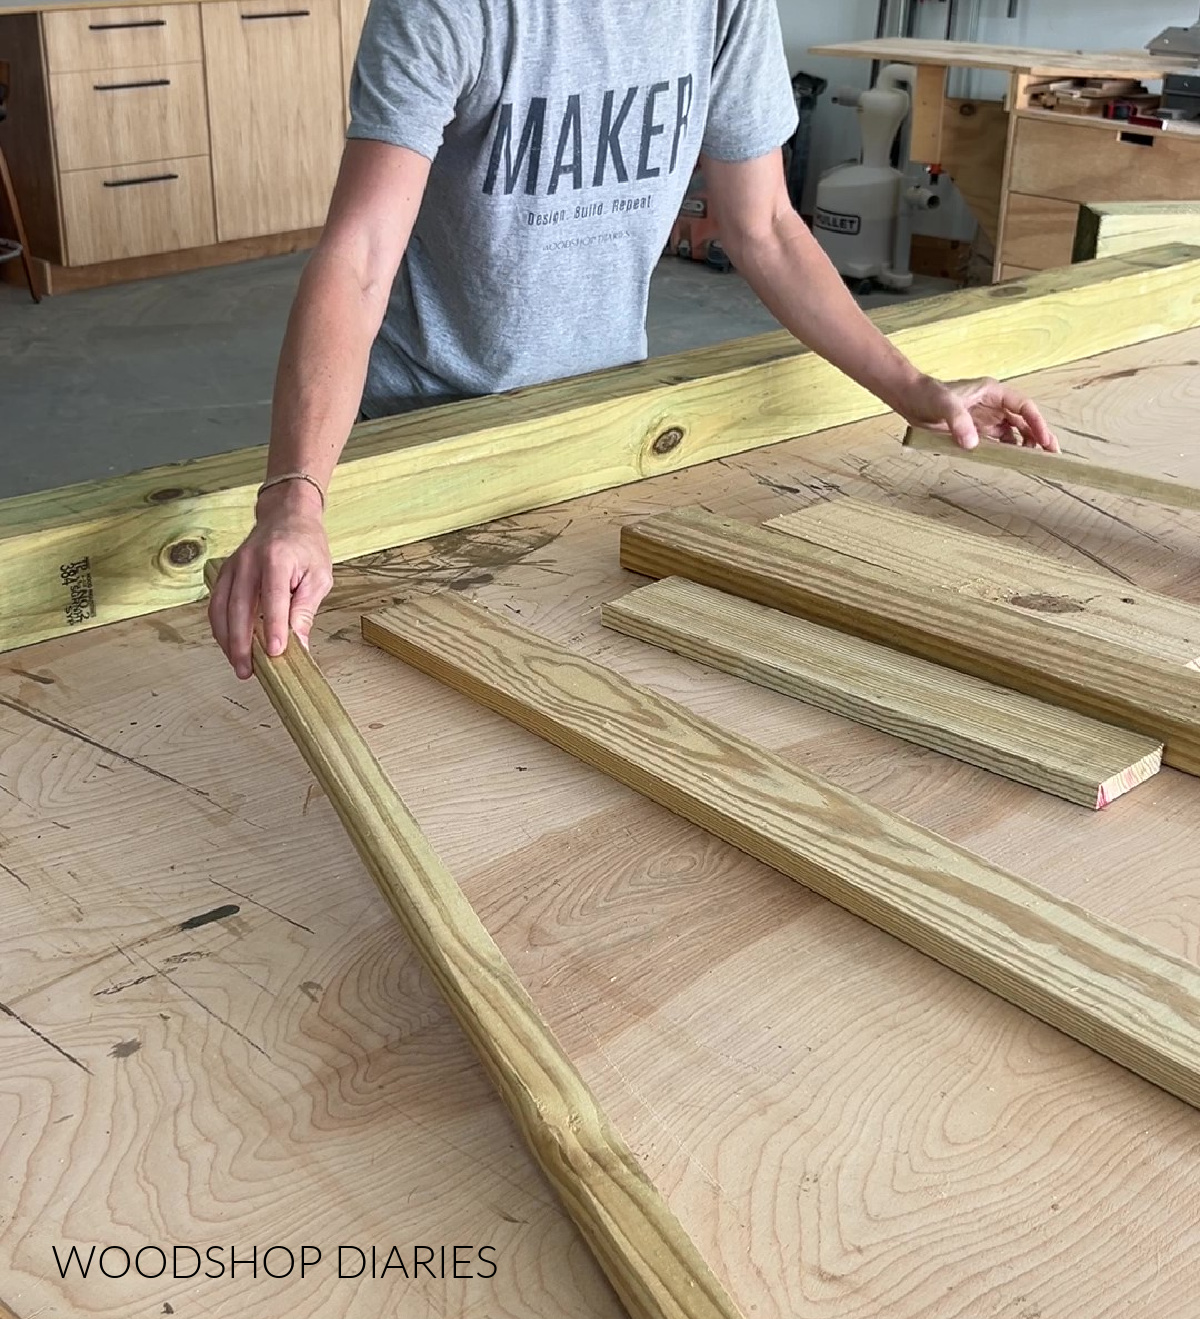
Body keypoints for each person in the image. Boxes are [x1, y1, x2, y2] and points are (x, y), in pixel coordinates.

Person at [209, 0, 1058, 680]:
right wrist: (294, 495)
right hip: (433, 423)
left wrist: (912, 387)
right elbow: (360, 256)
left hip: (601, 423)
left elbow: (762, 224)